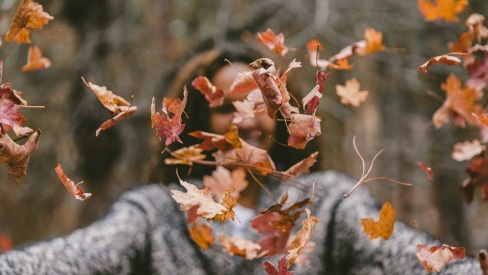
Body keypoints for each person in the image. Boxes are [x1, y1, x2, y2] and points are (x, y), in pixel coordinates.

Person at [0, 43, 486, 275]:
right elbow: (72, 259)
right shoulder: (154, 215)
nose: (244, 118)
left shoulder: (329, 203)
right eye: (224, 103)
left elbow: (413, 259)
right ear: (189, 122)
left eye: (259, 102)